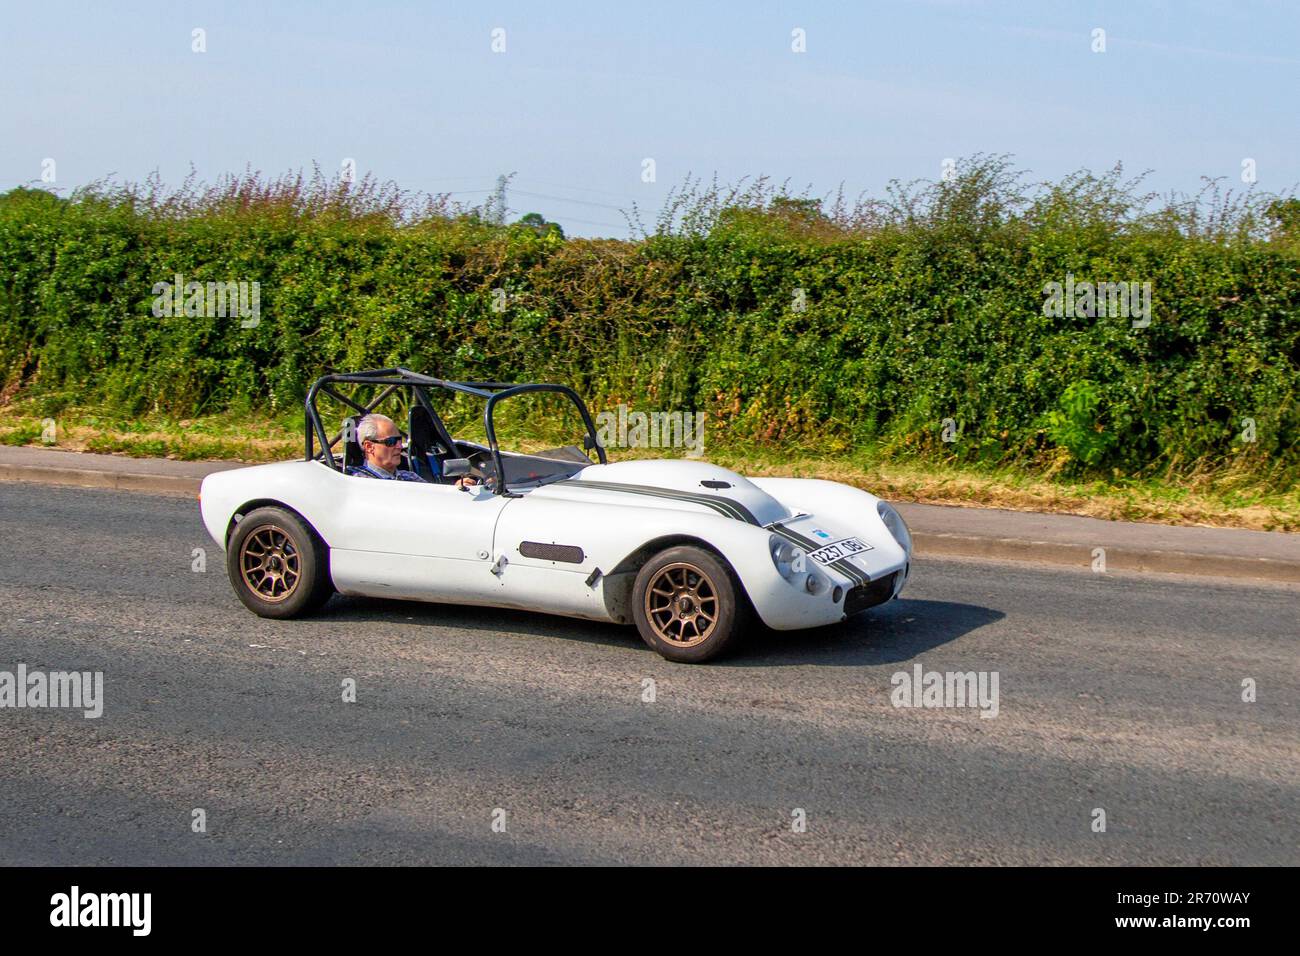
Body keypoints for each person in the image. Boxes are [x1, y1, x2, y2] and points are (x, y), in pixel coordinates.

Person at [347, 413, 476, 488]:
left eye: (399, 440)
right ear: (369, 447)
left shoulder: (409, 477)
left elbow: (435, 501)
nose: (399, 446)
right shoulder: (360, 484)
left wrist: (455, 491)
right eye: (391, 442)